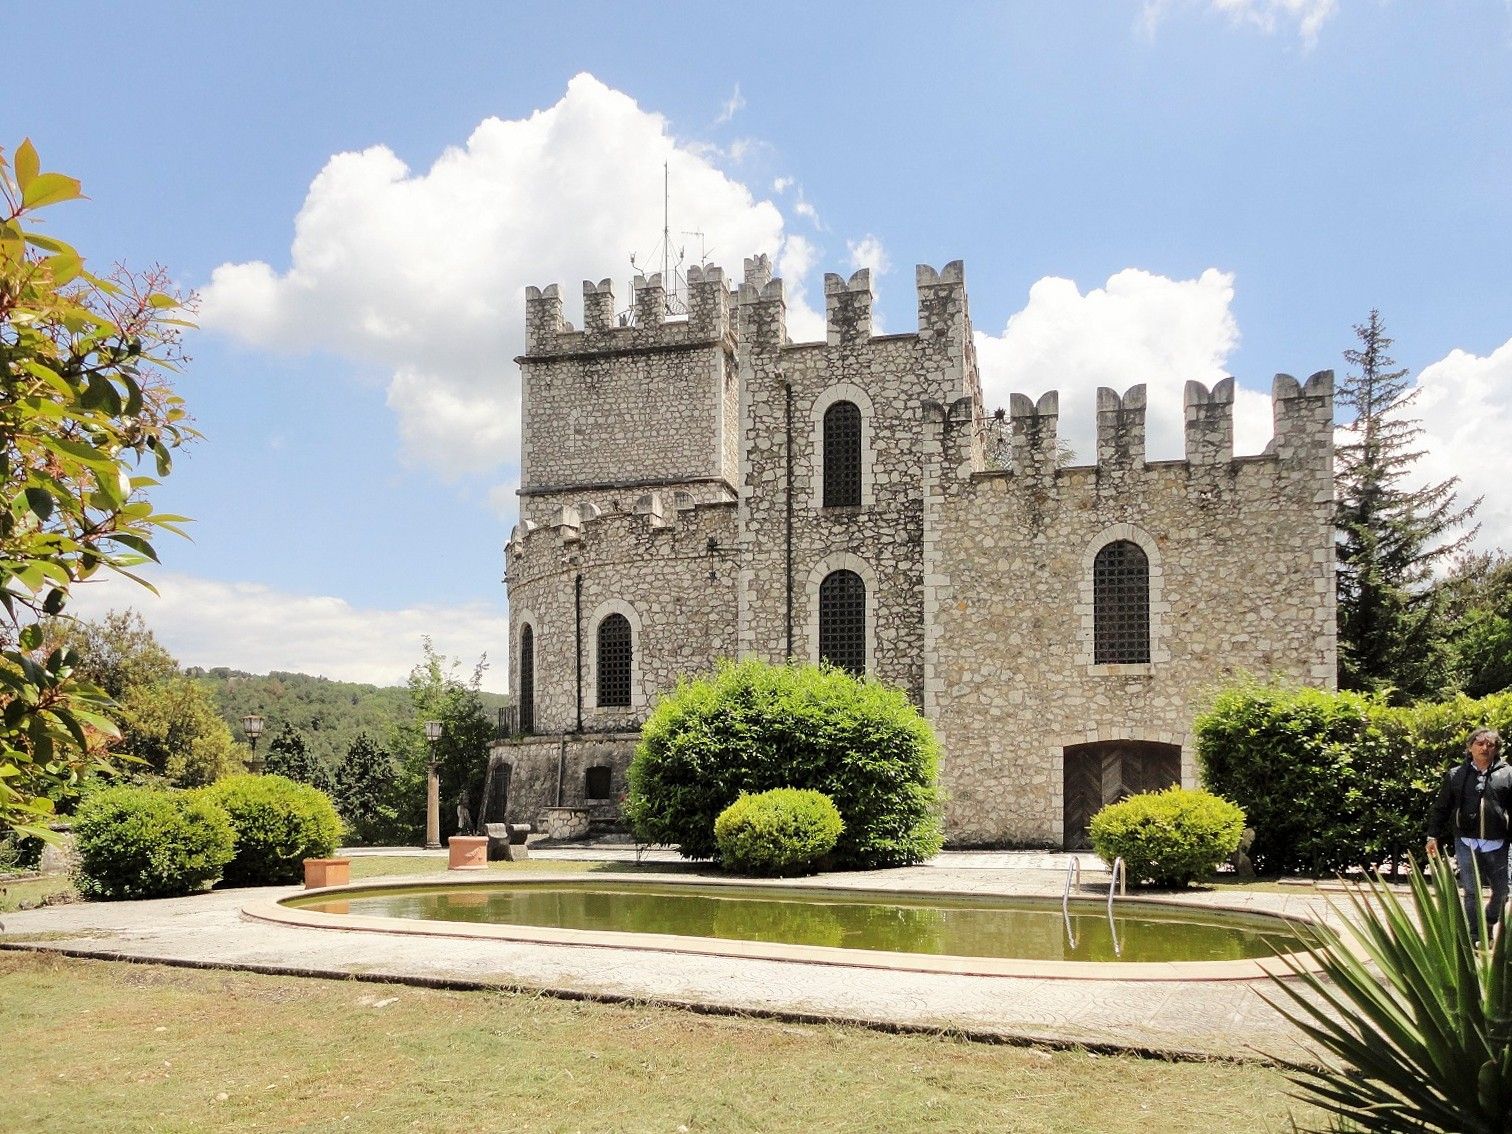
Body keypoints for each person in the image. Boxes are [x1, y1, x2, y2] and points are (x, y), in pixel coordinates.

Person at [1427, 727, 1512, 942]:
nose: (1484, 748)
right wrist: (1432, 835)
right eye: (1479, 743)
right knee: (1471, 892)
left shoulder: (1508, 774)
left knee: (1502, 892)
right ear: (1470, 747)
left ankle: (1489, 920)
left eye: (1490, 744)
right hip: (1466, 842)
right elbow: (1441, 808)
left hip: (1498, 843)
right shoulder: (1456, 775)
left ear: (1496, 749)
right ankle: (1476, 935)